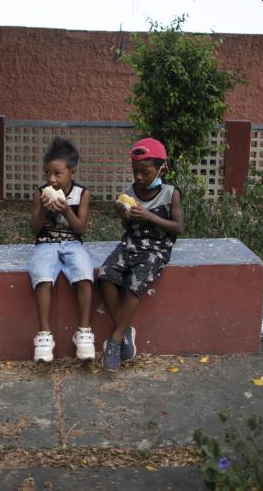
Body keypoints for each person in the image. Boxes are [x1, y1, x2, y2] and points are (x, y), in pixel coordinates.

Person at [97, 137, 184, 371]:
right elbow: (128, 229)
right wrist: (122, 214)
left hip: (157, 248)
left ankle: (115, 340)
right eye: (135, 171)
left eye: (145, 172)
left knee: (137, 279)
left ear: (161, 169)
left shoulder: (170, 193)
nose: (138, 177)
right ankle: (124, 330)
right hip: (131, 243)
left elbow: (178, 227)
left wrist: (150, 217)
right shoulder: (130, 191)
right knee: (106, 274)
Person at [28, 137, 95, 363]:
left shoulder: (82, 193)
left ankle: (84, 330)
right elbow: (35, 229)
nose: (51, 179)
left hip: (73, 242)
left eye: (57, 173)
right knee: (42, 276)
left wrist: (67, 211)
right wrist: (44, 212)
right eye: (47, 173)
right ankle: (44, 333)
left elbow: (81, 229)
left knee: (85, 274)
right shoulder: (41, 193)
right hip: (46, 241)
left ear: (72, 172)